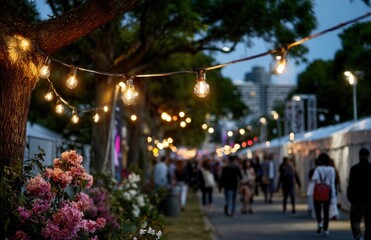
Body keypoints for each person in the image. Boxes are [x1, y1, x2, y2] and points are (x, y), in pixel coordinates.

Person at [347, 148, 371, 240]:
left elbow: (351, 184)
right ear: (368, 156)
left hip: (357, 200)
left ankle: (358, 236)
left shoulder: (354, 169)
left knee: (355, 221)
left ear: (359, 156)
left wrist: (350, 197)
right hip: (369, 200)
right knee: (369, 223)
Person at [312, 152, 336, 237]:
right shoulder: (332, 169)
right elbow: (332, 182)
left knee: (318, 209)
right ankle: (326, 229)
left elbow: (314, 179)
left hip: (318, 191)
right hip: (327, 191)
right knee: (326, 211)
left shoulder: (318, 169)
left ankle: (320, 223)